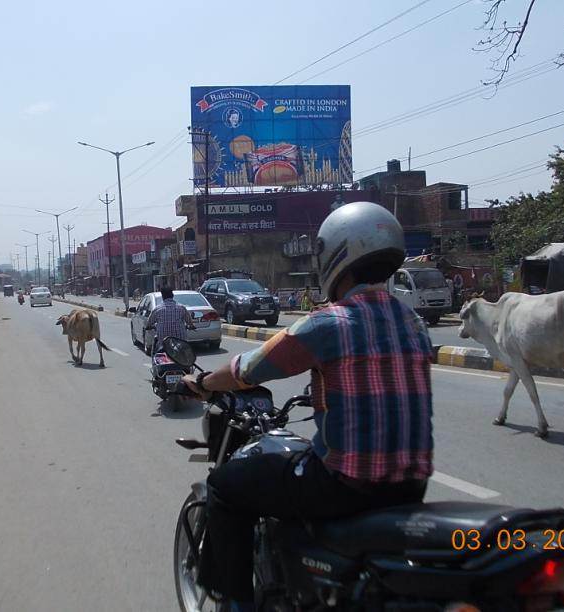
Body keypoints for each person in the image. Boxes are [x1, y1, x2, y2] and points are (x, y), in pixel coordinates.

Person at [183, 202, 434, 609]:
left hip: (345, 486)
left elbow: (249, 369)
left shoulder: (329, 323)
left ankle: (236, 604)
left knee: (225, 487)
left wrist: (204, 383)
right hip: (411, 486)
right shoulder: (414, 323)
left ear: (336, 258)